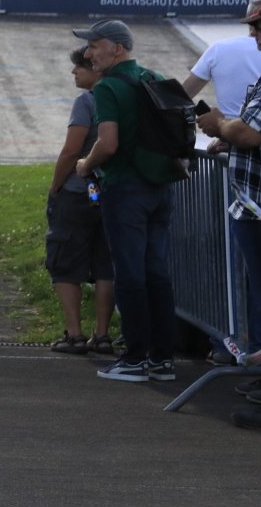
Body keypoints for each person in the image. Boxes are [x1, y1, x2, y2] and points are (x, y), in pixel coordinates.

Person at [73, 19, 182, 383]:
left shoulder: (108, 86)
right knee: (157, 273)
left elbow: (108, 143)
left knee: (129, 273)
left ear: (117, 48)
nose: (88, 53)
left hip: (124, 188)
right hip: (159, 186)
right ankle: (162, 359)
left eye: (94, 45)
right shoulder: (153, 77)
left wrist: (85, 164)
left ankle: (134, 358)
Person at [195, 0, 261, 422]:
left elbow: (251, 134)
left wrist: (221, 124)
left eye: (258, 26)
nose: (253, 34)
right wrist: (229, 138)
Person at [47, 47, 117, 356]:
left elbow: (71, 150)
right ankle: (102, 335)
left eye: (79, 67)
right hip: (109, 192)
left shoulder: (86, 101)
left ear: (95, 68)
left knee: (64, 262)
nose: (74, 72)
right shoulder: (119, 97)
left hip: (78, 192)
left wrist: (55, 186)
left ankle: (74, 335)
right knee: (105, 265)